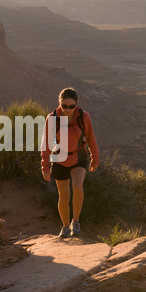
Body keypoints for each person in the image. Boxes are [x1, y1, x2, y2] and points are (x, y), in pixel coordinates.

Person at [41, 87, 99, 238]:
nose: (67, 109)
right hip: (59, 159)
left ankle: (76, 222)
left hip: (79, 157)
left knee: (77, 186)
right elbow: (46, 145)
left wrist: (95, 158)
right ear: (59, 103)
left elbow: (91, 139)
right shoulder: (52, 119)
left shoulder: (84, 117)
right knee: (64, 196)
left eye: (71, 106)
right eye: (64, 106)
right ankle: (65, 227)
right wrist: (45, 167)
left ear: (77, 104)